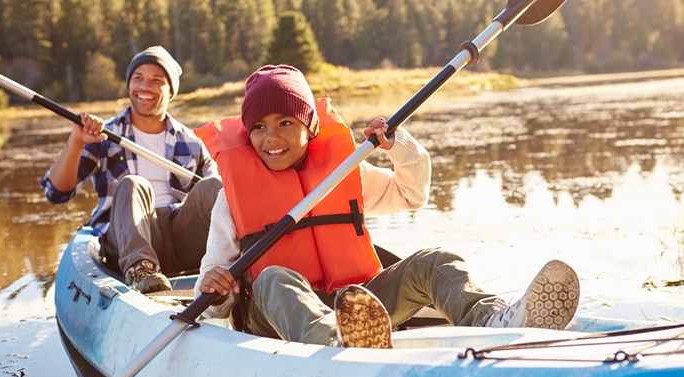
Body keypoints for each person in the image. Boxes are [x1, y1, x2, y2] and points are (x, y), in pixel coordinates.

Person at [193, 65, 580, 348]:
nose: (271, 137)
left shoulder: (342, 174)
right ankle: (336, 344)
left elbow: (411, 193)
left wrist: (400, 148)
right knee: (275, 276)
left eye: (285, 123)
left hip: (357, 306)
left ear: (310, 127)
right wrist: (216, 290)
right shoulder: (233, 197)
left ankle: (494, 321)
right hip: (272, 318)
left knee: (434, 261)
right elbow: (214, 287)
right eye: (258, 127)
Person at [41, 46, 222, 294]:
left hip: (179, 239)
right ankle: (142, 270)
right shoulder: (104, 136)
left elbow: (218, 202)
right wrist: (77, 141)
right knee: (134, 184)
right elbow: (56, 193)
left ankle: (235, 270)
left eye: (156, 80)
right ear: (129, 85)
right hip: (124, 241)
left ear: (171, 92)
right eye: (138, 78)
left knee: (214, 187)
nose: (144, 86)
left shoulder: (190, 142)